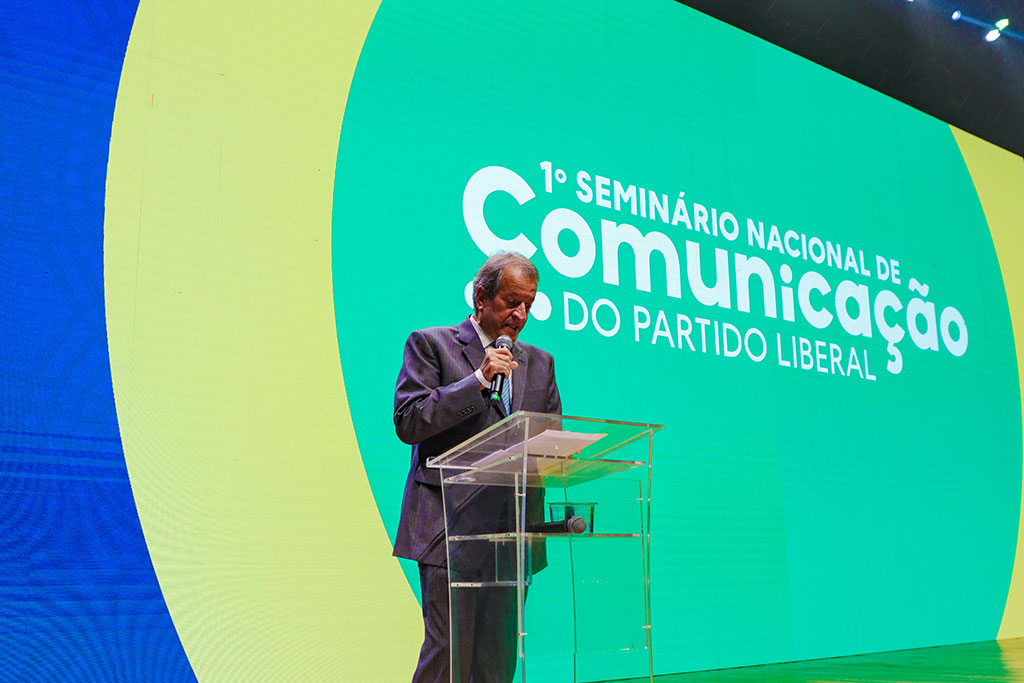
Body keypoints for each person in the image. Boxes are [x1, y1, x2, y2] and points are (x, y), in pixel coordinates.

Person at [393, 252, 562, 683]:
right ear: (481, 297)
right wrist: (479, 382)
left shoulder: (540, 363)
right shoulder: (430, 344)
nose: (521, 314)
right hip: (448, 530)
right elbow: (409, 421)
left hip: (511, 533)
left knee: (496, 659)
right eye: (511, 301)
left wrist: (560, 456)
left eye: (529, 303)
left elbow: (549, 440)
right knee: (449, 655)